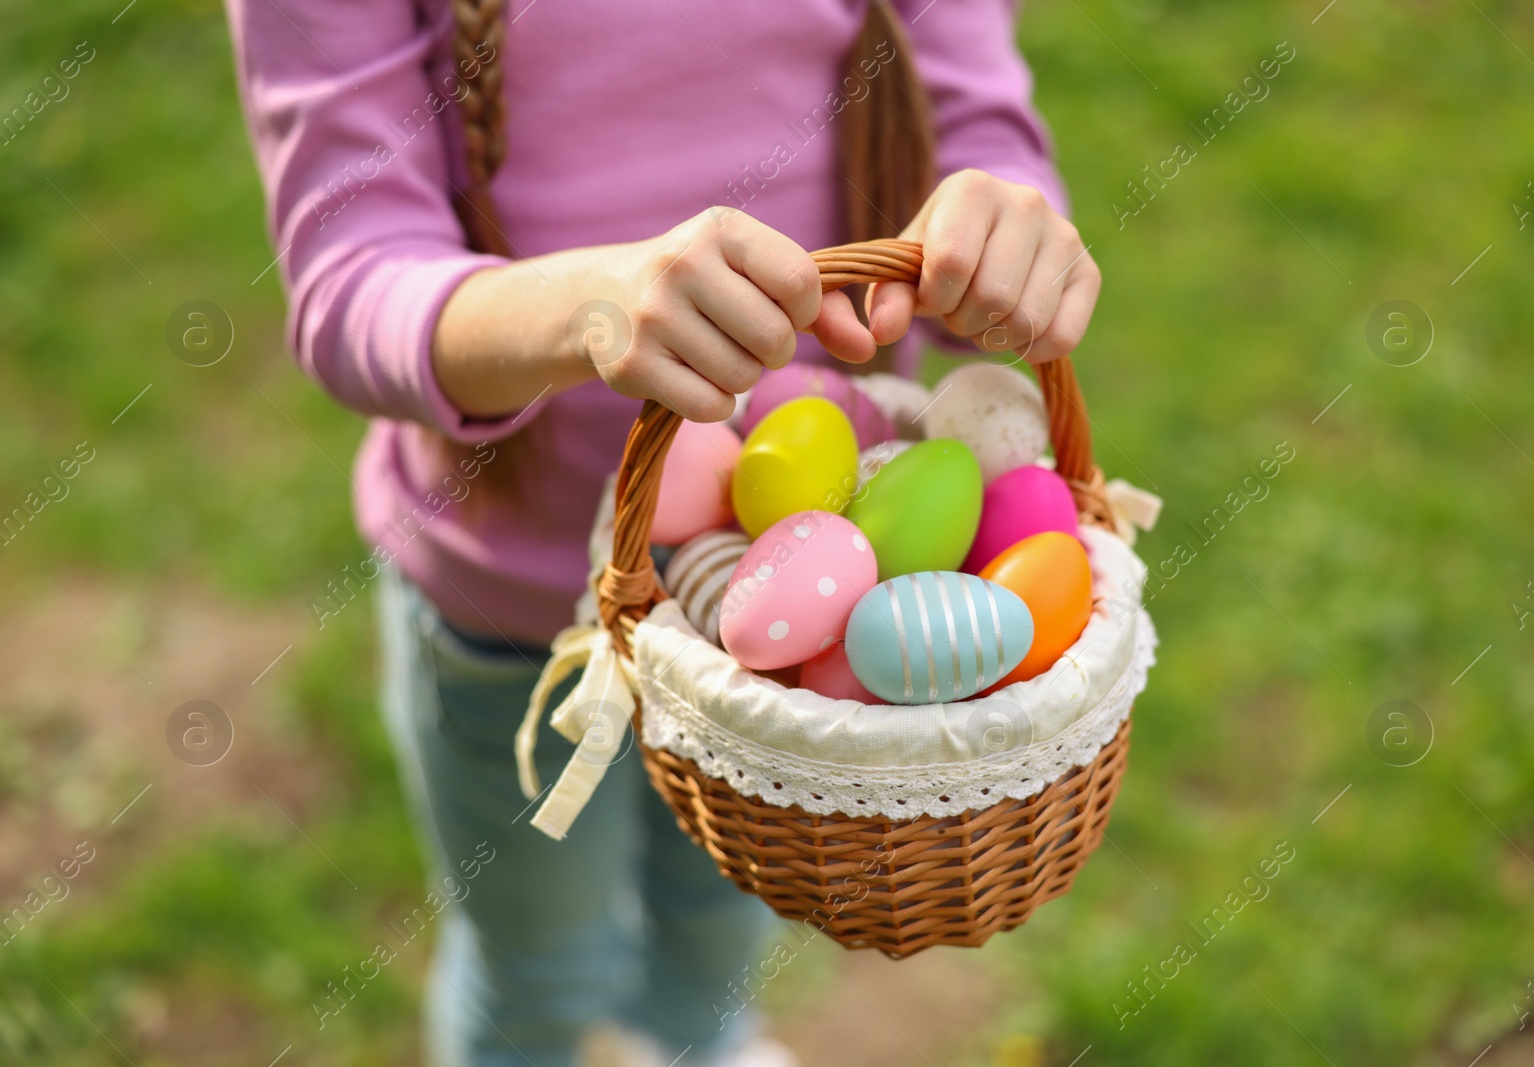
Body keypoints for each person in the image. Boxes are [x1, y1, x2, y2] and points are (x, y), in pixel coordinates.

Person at [225, 0, 1100, 1063]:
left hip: (799, 646)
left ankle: (697, 1038)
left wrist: (1000, 233)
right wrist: (589, 307)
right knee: (538, 970)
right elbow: (349, 280)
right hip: (521, 614)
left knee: (725, 918)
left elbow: (975, 121)